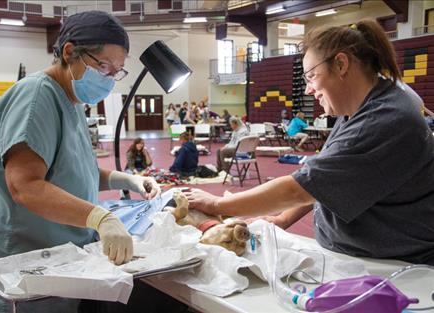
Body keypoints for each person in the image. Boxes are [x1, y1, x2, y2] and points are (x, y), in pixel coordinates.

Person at [185, 20, 434, 266]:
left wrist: (217, 204)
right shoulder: (354, 112)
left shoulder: (384, 120)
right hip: (359, 257)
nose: (308, 90)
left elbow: (297, 189)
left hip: (398, 268)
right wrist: (282, 219)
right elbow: (322, 184)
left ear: (340, 64)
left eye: (312, 76)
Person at [0, 11, 162, 313]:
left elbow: (75, 170)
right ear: (70, 52)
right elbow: (25, 186)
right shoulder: (36, 96)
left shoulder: (71, 101)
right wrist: (100, 217)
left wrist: (126, 180)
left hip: (55, 264)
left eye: (118, 71)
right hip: (17, 268)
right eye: (104, 67)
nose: (109, 79)